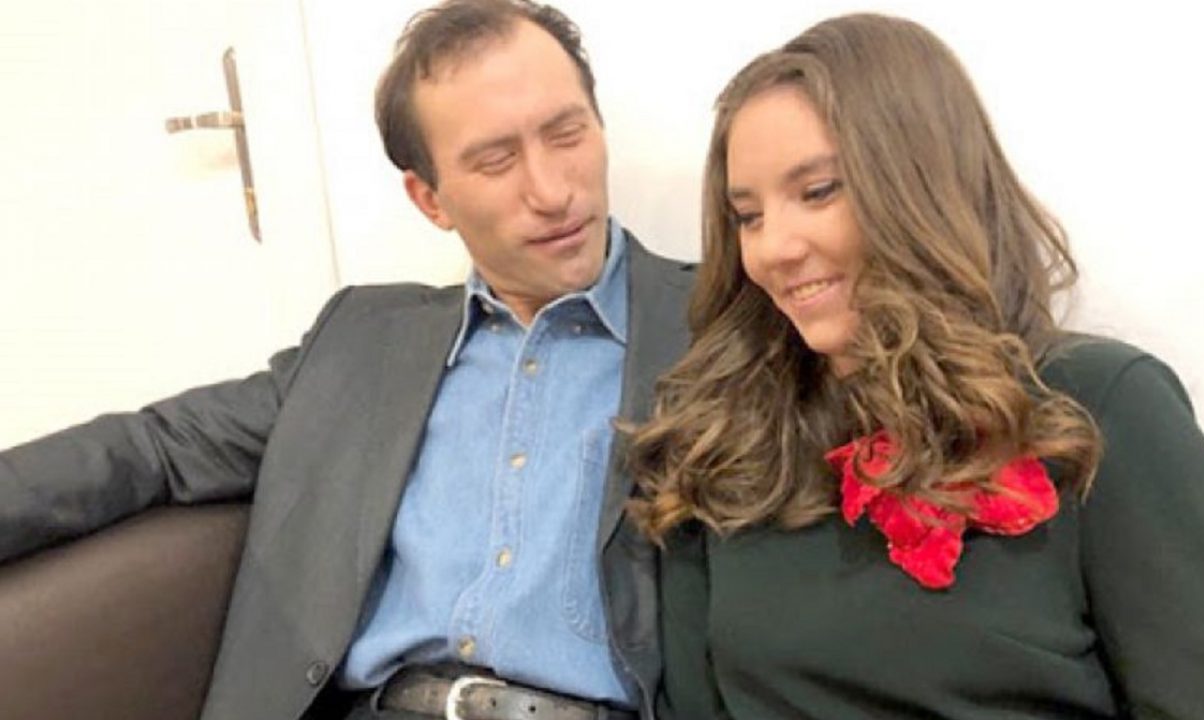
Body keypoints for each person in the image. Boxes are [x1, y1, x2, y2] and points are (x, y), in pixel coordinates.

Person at [0, 1, 692, 719]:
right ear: (430, 200)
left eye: (567, 134)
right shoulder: (363, 342)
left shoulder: (717, 328)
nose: (552, 191)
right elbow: (155, 447)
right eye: (496, 160)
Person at [629, 12, 1204, 719]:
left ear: (921, 186)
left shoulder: (1104, 402)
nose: (773, 248)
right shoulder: (726, 443)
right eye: (748, 216)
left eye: (818, 192)